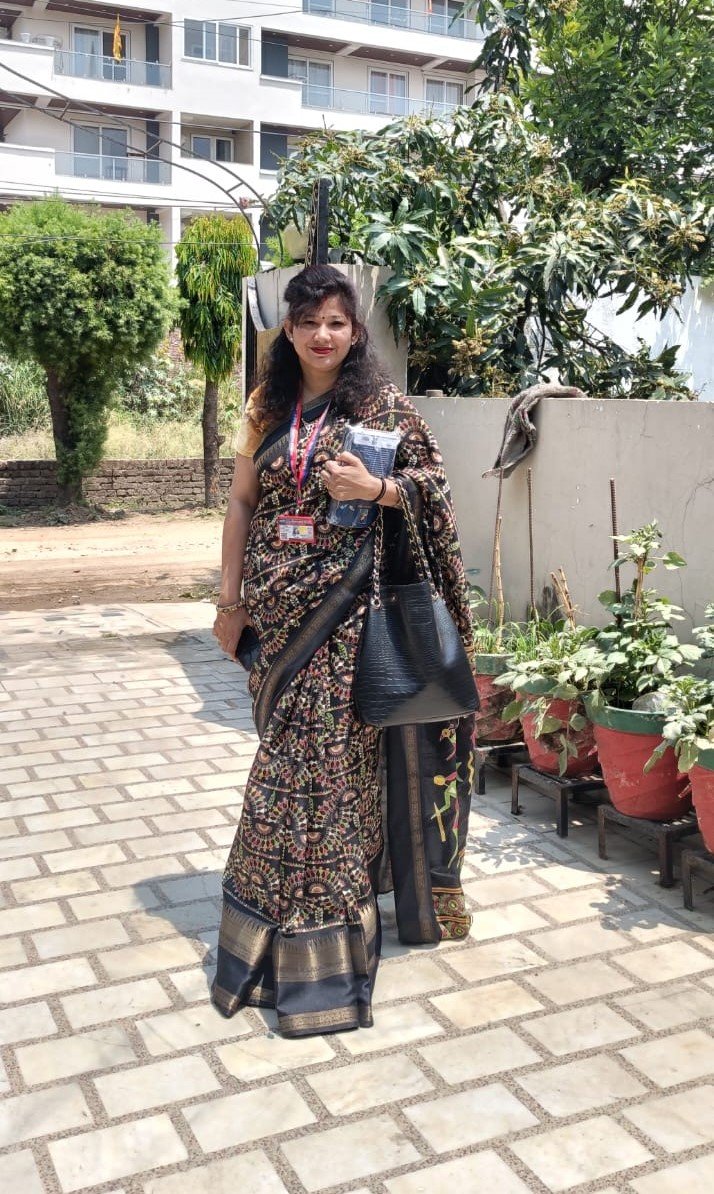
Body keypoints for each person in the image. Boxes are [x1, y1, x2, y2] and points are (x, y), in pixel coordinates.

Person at [211, 264, 475, 1038]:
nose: (322, 335)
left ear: (355, 332)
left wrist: (379, 491)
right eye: (307, 322)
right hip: (276, 617)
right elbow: (241, 503)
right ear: (288, 331)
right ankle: (270, 926)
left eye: (336, 322)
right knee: (287, 769)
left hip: (347, 620)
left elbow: (436, 488)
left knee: (320, 775)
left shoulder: (382, 406)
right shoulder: (265, 406)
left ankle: (321, 941)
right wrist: (229, 601)